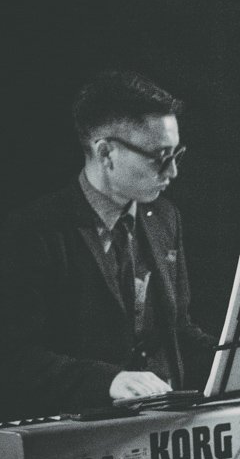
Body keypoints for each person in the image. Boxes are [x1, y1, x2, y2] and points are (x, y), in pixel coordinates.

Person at [0, 69, 216, 421]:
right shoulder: (34, 231)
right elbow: (14, 358)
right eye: (160, 157)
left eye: (177, 154)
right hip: (79, 433)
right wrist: (109, 381)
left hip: (162, 427)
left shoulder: (165, 217)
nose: (173, 172)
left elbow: (177, 330)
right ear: (105, 153)